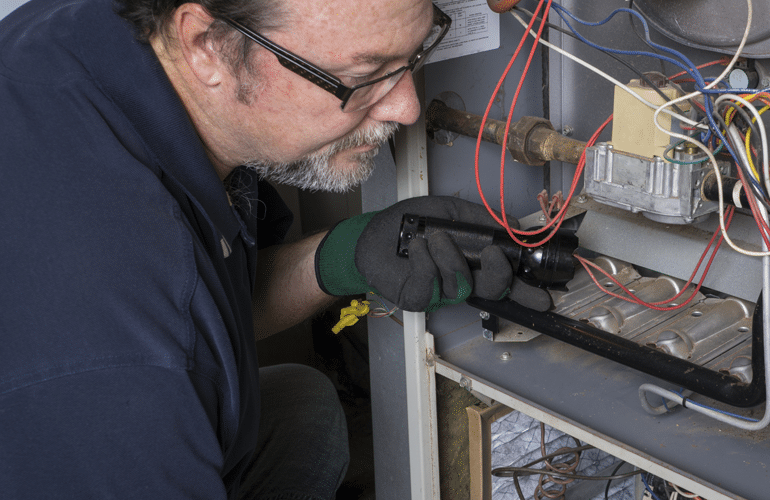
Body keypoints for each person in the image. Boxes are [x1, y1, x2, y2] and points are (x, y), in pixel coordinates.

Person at [0, 0, 548, 497]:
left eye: (415, 52)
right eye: (362, 77)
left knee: (300, 407)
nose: (406, 107)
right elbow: (166, 325)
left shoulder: (92, 31)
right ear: (206, 45)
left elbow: (211, 305)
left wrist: (346, 253)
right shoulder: (123, 355)